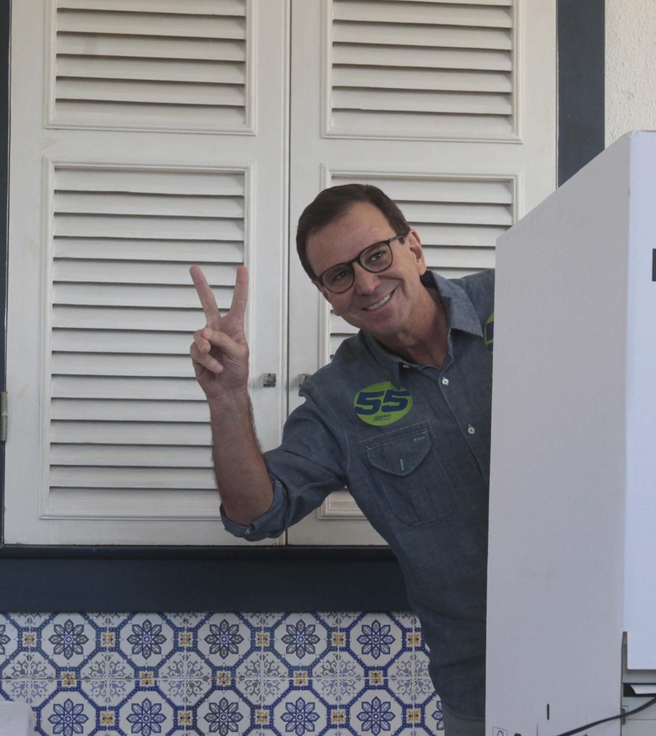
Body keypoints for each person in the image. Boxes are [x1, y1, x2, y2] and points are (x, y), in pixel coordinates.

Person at [189, 184, 494, 736]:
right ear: (327, 294)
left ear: (415, 248)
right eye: (339, 276)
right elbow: (256, 513)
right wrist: (227, 397)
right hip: (483, 683)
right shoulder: (337, 398)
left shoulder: (527, 295)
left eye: (376, 255)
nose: (366, 284)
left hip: (619, 645)